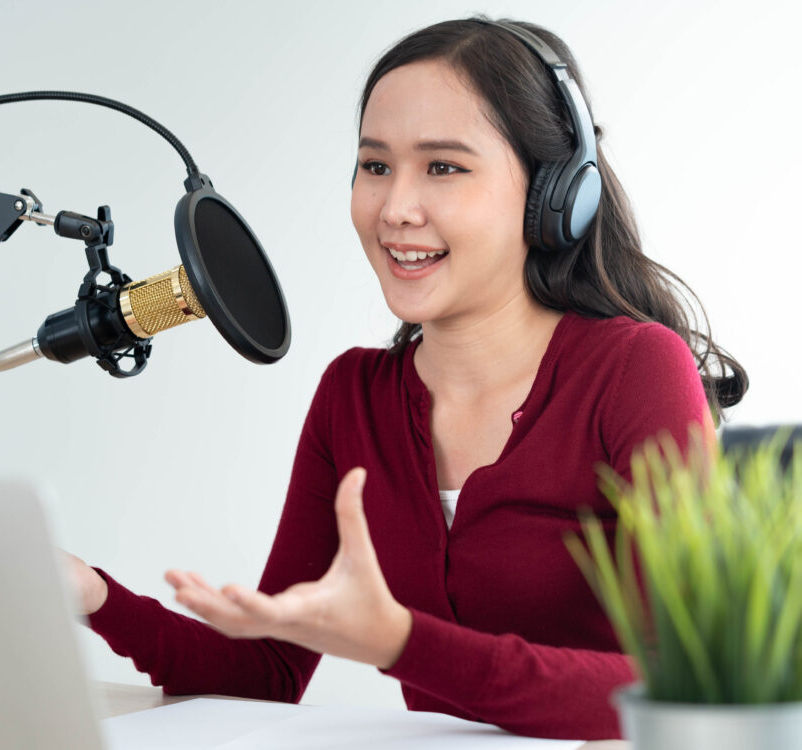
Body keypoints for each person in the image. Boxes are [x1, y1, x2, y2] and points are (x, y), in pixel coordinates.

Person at [62, 16, 747, 741]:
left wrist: (403, 643)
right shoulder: (353, 396)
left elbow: (688, 682)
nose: (395, 210)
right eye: (376, 166)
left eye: (443, 167)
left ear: (552, 194)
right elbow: (267, 672)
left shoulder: (634, 371)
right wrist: (93, 595)